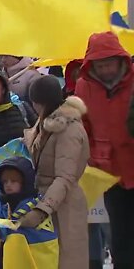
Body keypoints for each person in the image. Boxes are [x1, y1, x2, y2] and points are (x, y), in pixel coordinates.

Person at [74, 31, 134, 269]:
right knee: (120, 238)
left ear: (120, 60)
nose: (106, 69)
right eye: (101, 65)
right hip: (110, 175)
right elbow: (82, 126)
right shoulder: (84, 87)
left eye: (110, 63)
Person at [23, 75, 90, 269]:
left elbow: (65, 177)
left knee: (67, 261)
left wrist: (42, 209)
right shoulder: (45, 125)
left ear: (37, 102)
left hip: (63, 207)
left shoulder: (68, 130)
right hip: (47, 202)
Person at [0, 157, 58, 269]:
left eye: (13, 181)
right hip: (6, 258)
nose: (8, 185)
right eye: (5, 181)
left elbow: (44, 238)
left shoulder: (35, 206)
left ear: (25, 182)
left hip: (31, 259)